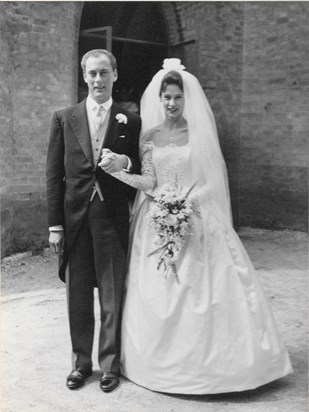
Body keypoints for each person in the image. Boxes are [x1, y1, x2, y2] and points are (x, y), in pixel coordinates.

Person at [100, 58, 292, 394]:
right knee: (157, 290)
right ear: (158, 100)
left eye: (177, 97)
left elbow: (211, 180)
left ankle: (219, 365)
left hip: (197, 215)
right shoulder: (150, 135)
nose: (171, 103)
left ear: (186, 99)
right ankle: (157, 363)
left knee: (205, 288)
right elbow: (148, 181)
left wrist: (185, 204)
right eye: (166, 98)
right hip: (155, 217)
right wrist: (118, 170)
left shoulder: (198, 133)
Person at [46, 49, 141, 392]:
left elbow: (143, 170)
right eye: (92, 74)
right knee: (78, 297)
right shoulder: (64, 118)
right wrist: (55, 225)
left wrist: (126, 164)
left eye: (104, 73)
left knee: (113, 297)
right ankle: (80, 364)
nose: (98, 80)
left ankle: (109, 365)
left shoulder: (130, 119)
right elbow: (54, 174)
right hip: (74, 222)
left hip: (112, 220)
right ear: (83, 76)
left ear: (115, 74)